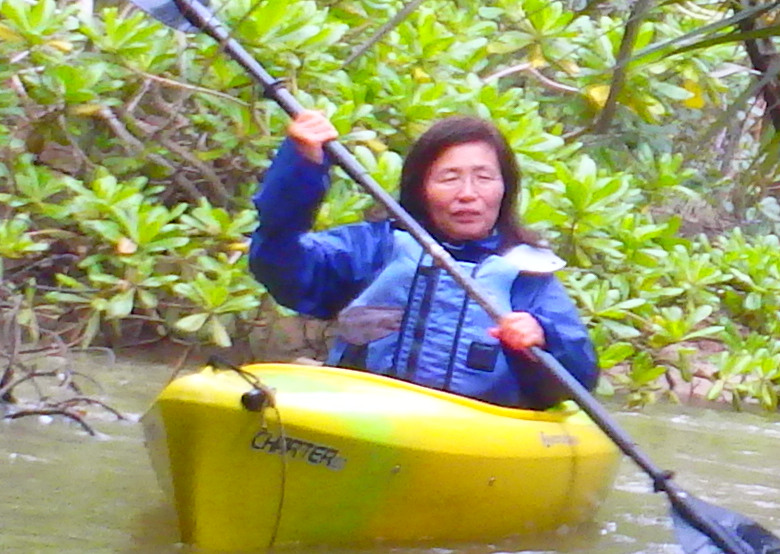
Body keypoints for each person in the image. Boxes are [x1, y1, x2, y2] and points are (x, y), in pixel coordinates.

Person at [247, 108, 600, 410]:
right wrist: (302, 165)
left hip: (471, 437)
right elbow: (280, 263)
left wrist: (543, 340)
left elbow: (578, 379)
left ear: (504, 189)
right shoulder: (373, 249)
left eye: (484, 178)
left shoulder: (527, 275)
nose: (468, 194)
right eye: (449, 178)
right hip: (364, 417)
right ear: (421, 189)